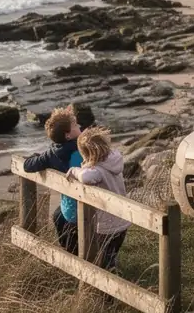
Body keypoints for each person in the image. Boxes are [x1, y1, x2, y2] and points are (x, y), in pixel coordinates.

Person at [66, 126, 131, 272]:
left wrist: (75, 170)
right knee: (112, 251)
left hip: (107, 224)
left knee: (104, 257)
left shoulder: (97, 171)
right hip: (123, 219)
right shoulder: (114, 159)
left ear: (87, 154)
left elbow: (85, 177)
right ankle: (113, 266)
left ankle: (109, 283)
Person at [22, 106, 82, 254]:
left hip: (68, 208)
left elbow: (27, 166)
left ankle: (68, 256)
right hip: (86, 206)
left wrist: (36, 156)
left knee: (58, 219)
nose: (79, 125)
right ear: (67, 135)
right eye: (75, 124)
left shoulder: (51, 154)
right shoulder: (83, 149)